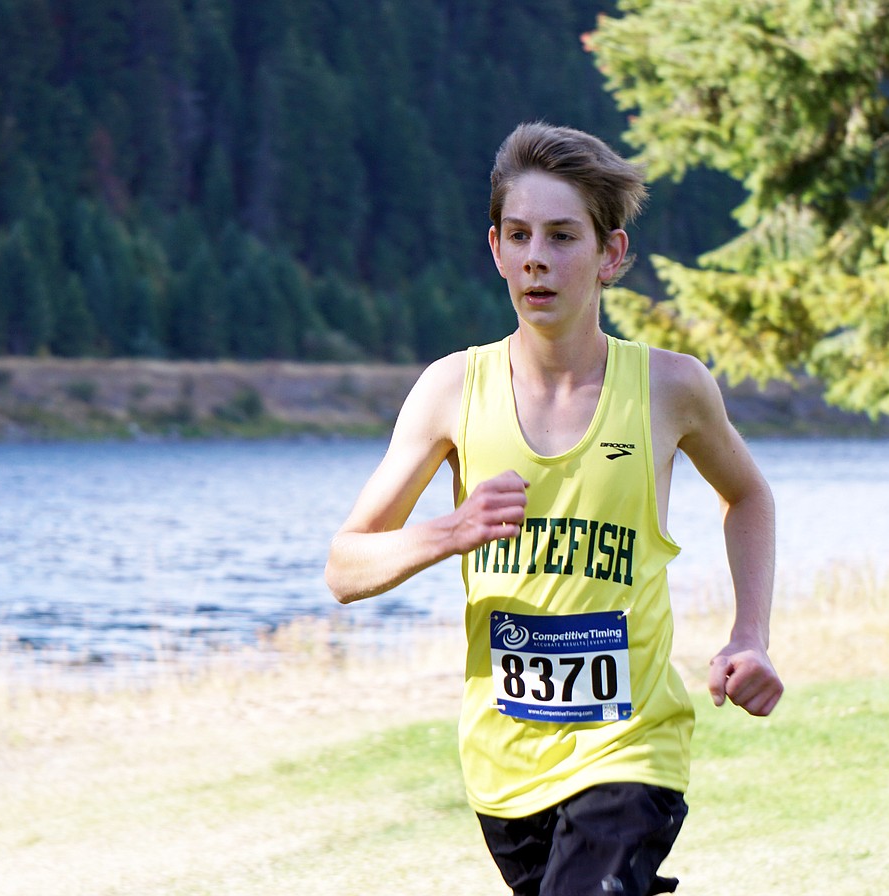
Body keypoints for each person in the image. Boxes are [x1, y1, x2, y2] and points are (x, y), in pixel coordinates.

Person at [325, 121, 783, 896]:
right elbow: (344, 568)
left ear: (609, 255)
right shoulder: (450, 390)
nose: (538, 255)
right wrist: (450, 530)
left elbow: (748, 496)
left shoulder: (670, 388)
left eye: (563, 235)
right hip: (504, 767)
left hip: (631, 747)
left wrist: (750, 635)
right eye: (520, 234)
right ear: (497, 249)